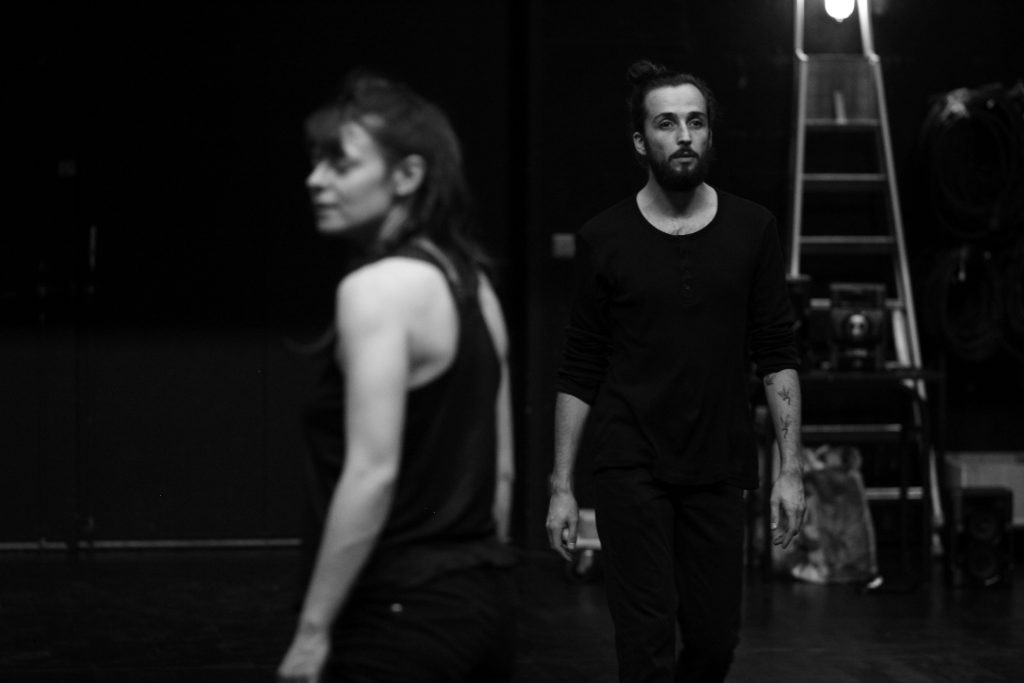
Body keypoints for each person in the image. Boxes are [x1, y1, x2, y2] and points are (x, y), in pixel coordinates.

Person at [546, 59, 806, 683]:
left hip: (717, 463)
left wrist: (791, 470)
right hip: (630, 461)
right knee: (645, 642)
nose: (684, 135)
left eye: (696, 122)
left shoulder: (753, 228)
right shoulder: (604, 237)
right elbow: (580, 364)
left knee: (715, 642)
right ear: (641, 141)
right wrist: (561, 485)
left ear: (710, 134)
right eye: (666, 123)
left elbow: (777, 355)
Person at [278, 71, 517, 683]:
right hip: (481, 603)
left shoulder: (375, 291)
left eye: (340, 164)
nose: (316, 180)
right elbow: (501, 475)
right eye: (316, 163)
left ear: (407, 176)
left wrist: (312, 632)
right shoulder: (476, 288)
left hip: (396, 615)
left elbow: (371, 472)